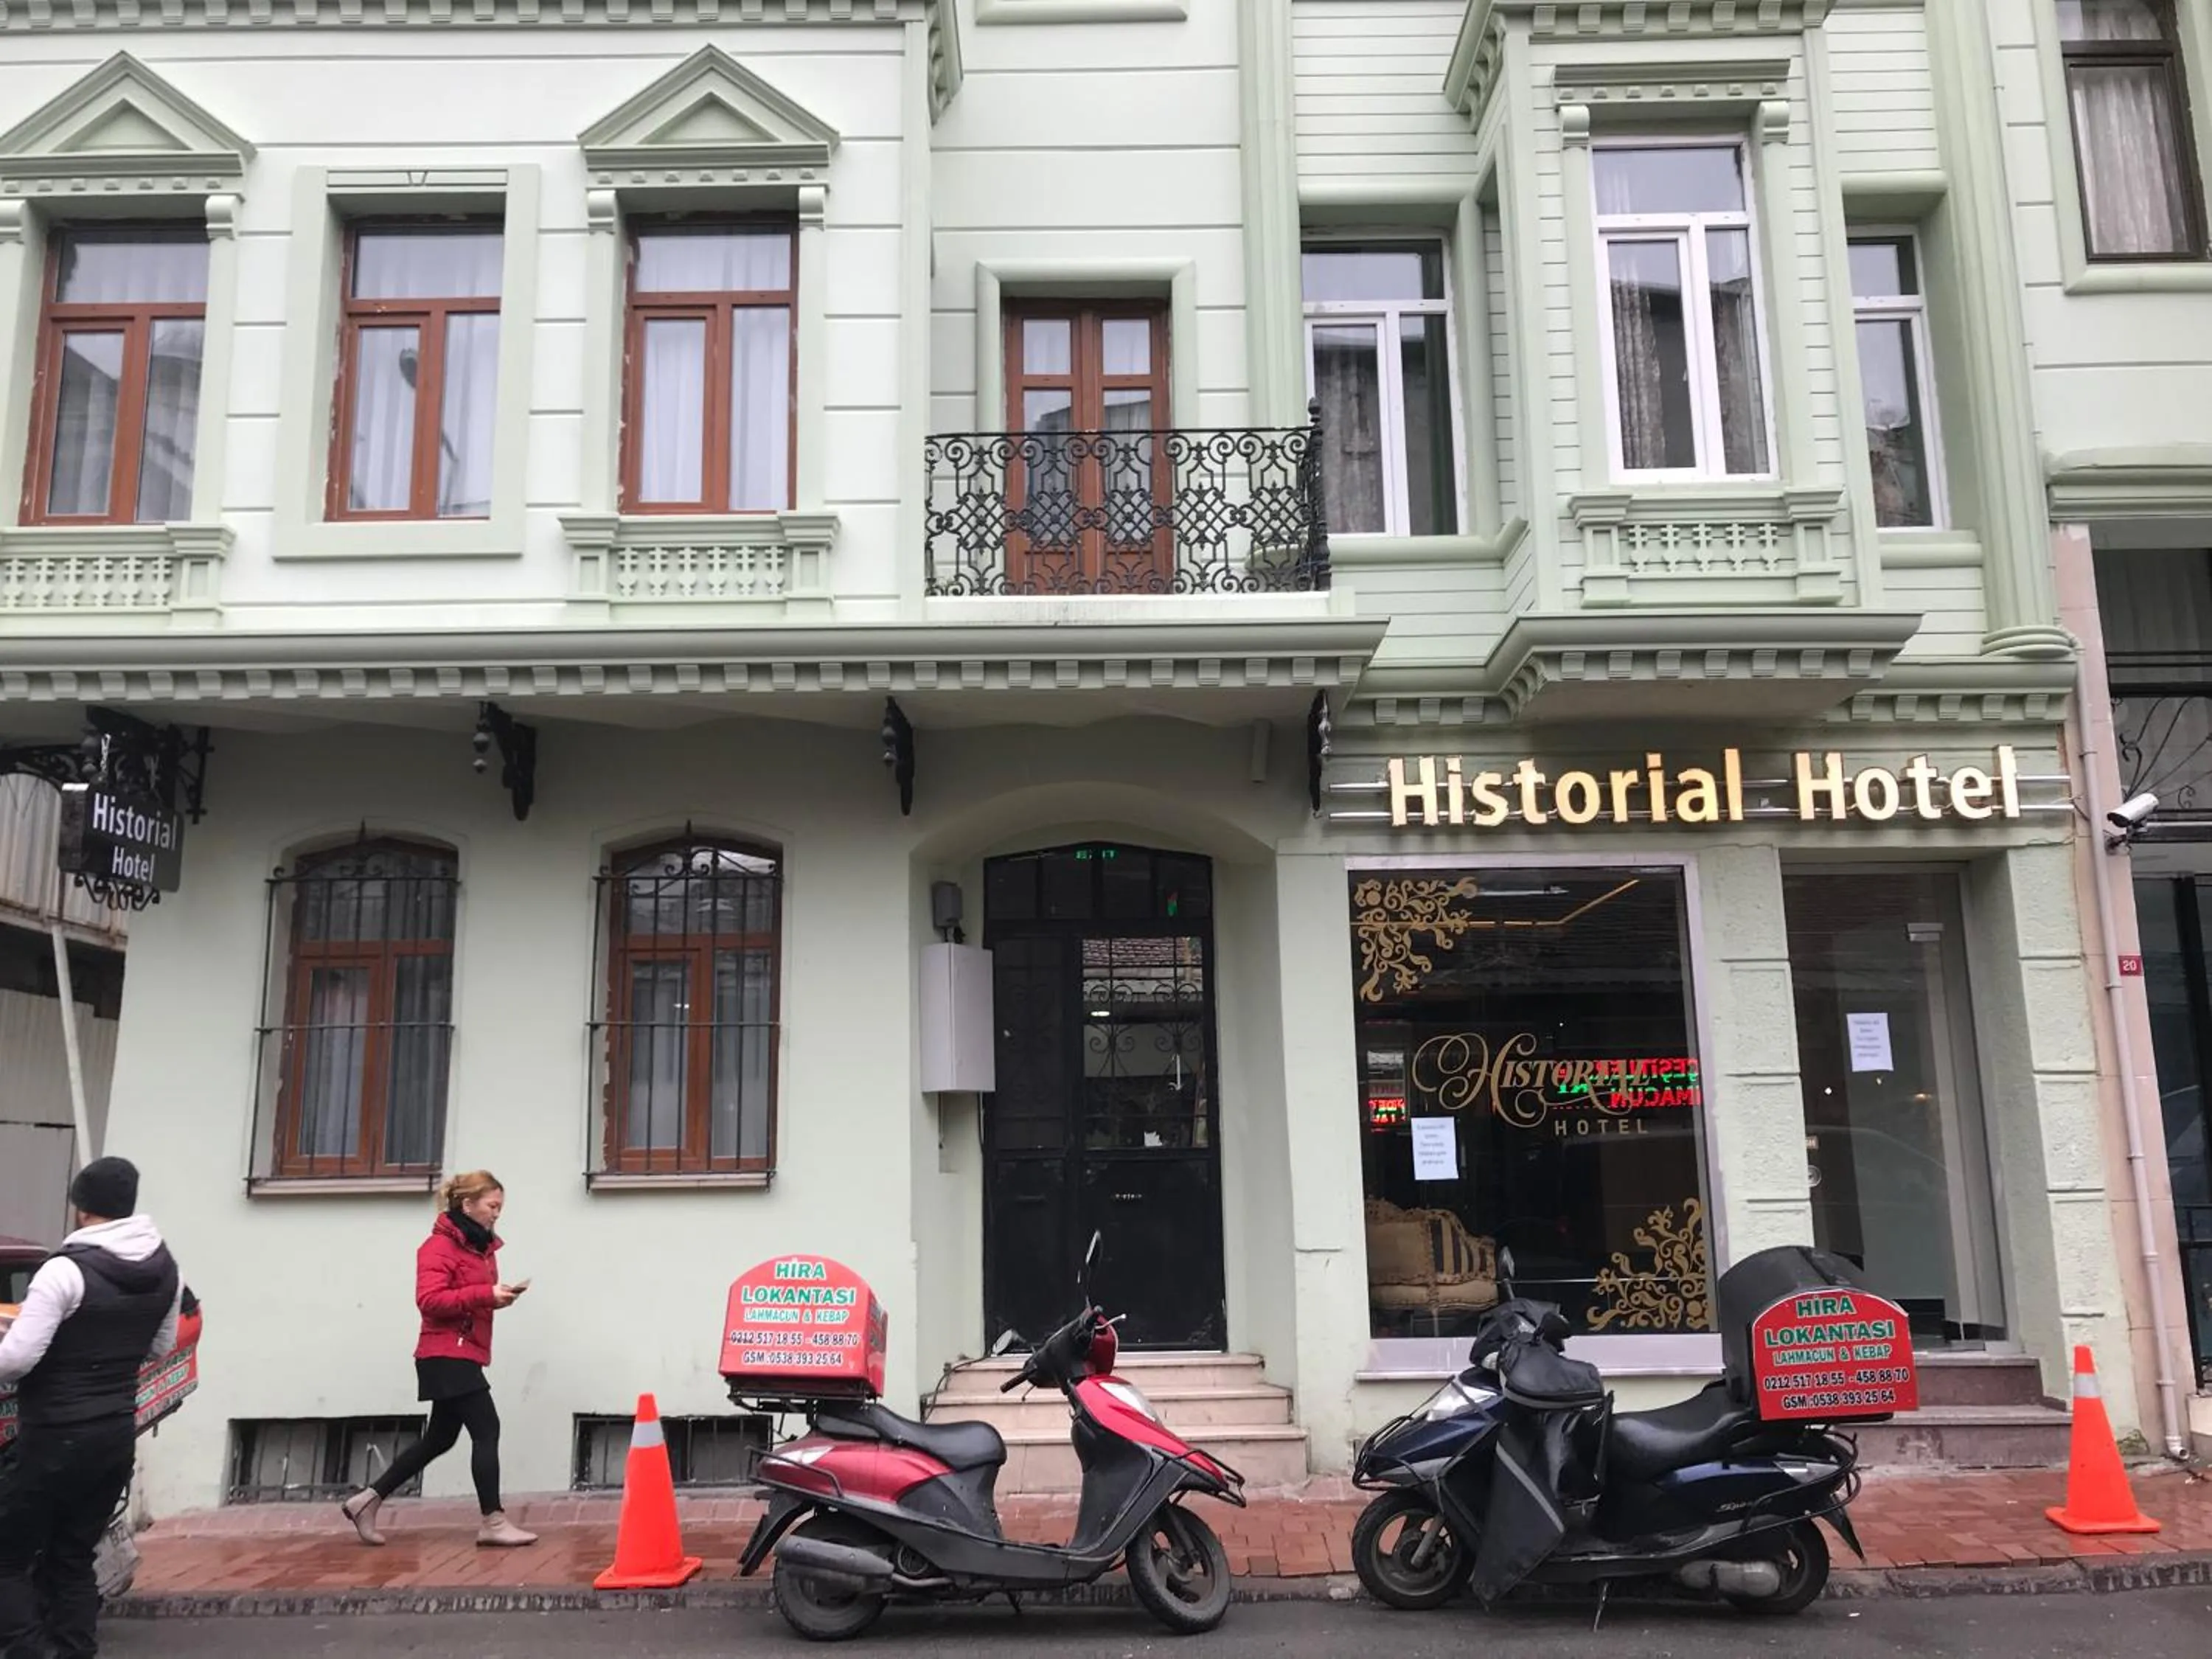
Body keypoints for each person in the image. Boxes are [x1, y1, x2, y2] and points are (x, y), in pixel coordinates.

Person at [0, 1157, 182, 1659]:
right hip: (115, 1437)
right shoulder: (167, 1268)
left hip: (54, 1439)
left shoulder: (64, 1271)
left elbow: (15, 1361)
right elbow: (161, 1346)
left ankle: (32, 1652)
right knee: (73, 1558)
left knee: (7, 1558)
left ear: (82, 1210)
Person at [339, 1171, 535, 1548]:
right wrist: (485, 1295)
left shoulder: (480, 1248)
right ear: (468, 1204)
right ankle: (493, 1522)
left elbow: (468, 1297)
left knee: (440, 1438)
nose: (497, 1214)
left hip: (463, 1351)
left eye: (501, 1208)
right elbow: (429, 1301)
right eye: (492, 1206)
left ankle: (366, 1501)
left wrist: (497, 1297)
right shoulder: (438, 1247)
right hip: (446, 1354)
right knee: (487, 1429)